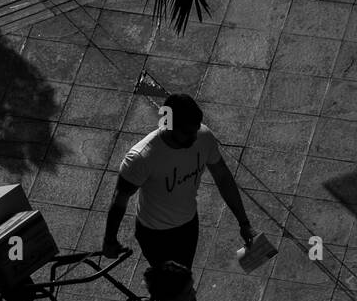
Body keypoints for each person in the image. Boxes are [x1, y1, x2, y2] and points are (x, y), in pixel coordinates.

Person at [103, 93, 253, 269]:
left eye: (196, 130)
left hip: (188, 226)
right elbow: (120, 199)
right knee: (172, 290)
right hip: (155, 236)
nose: (194, 137)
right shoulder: (142, 158)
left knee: (183, 281)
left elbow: (223, 177)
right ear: (169, 125)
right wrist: (110, 239)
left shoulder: (203, 136)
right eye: (188, 132)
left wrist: (244, 223)